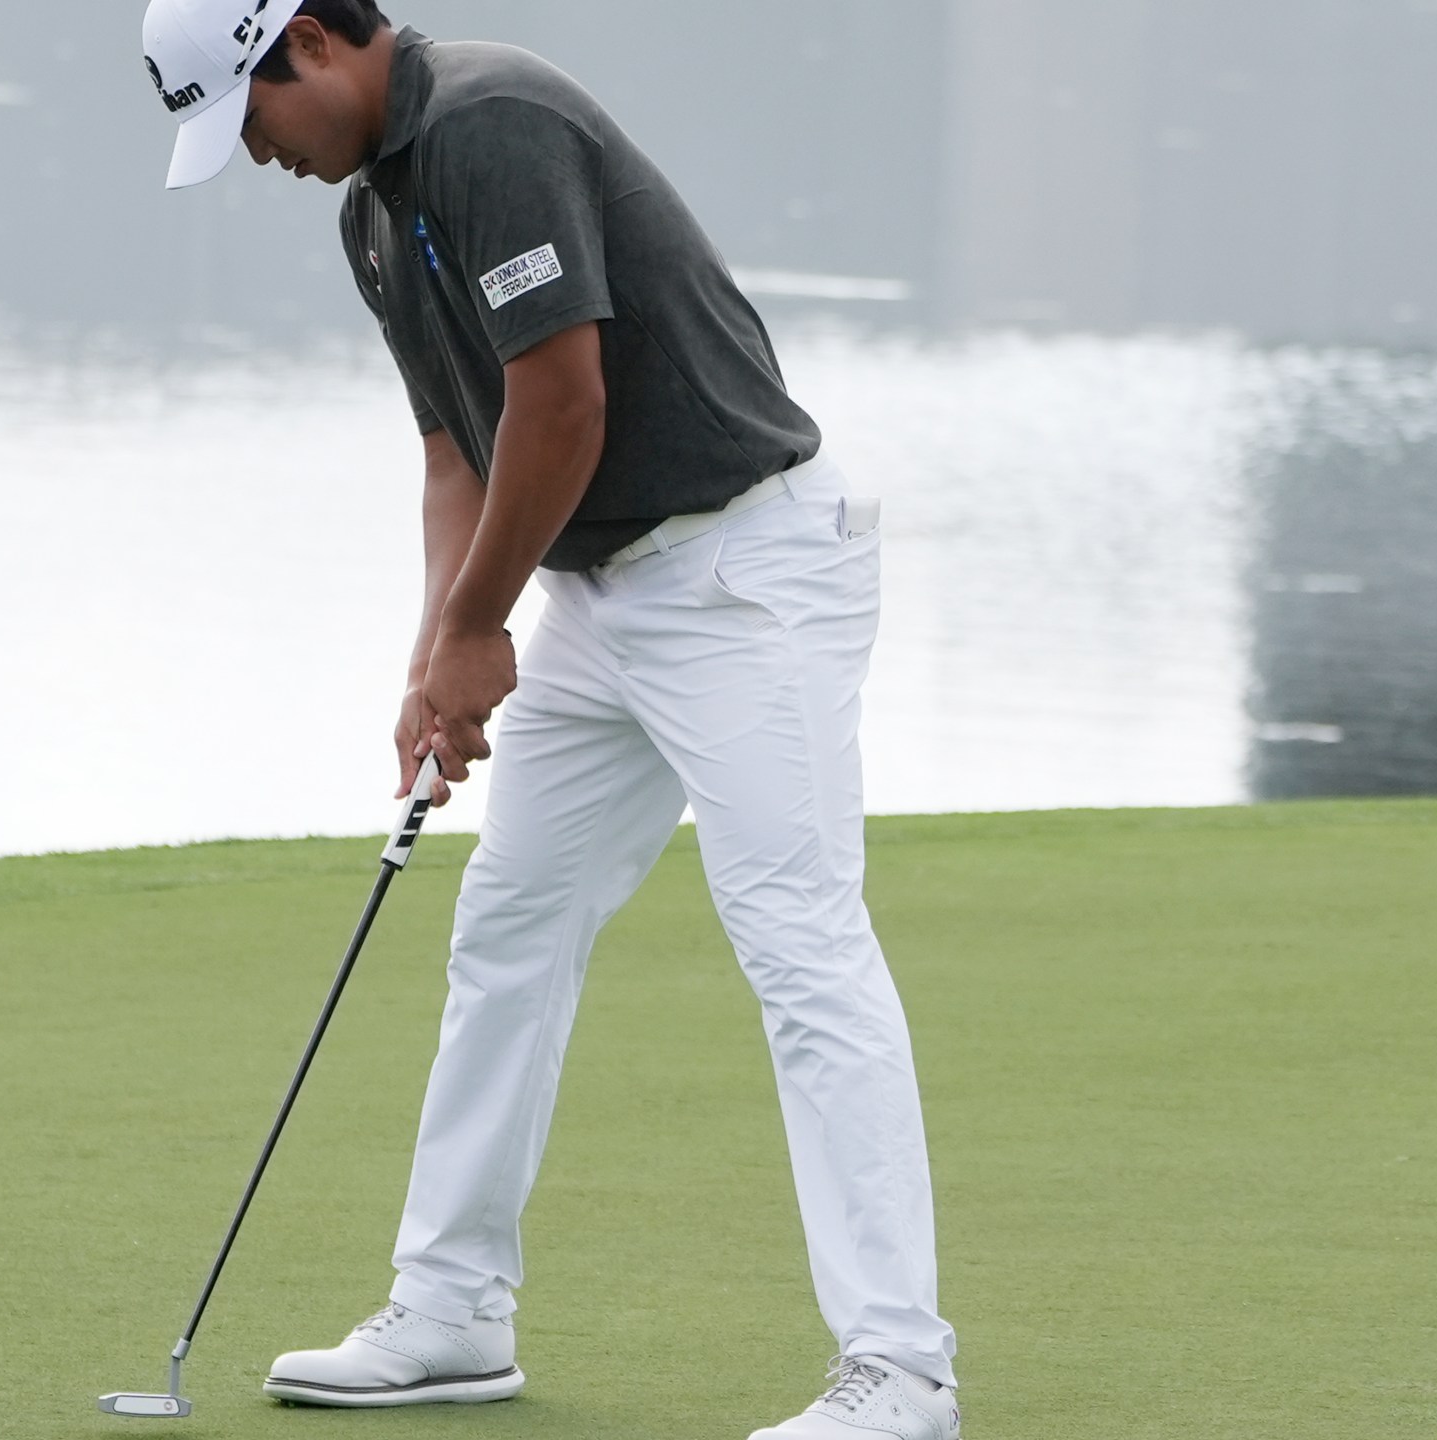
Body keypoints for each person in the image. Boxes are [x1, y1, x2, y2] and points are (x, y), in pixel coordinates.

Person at [138, 2, 961, 1435]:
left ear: (313, 48)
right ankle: (452, 1309)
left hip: (746, 571)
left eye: (252, 116)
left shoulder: (487, 125)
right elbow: (458, 450)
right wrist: (433, 653)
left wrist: (475, 628)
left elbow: (563, 401)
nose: (256, 154)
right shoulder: (377, 213)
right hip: (599, 588)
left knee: (800, 946)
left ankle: (901, 1370)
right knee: (511, 925)